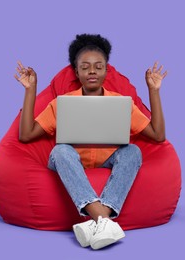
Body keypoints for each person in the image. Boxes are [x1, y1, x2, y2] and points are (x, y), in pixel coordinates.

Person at [14, 34, 168, 250]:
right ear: (77, 72)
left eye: (98, 66)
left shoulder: (121, 103)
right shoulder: (62, 103)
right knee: (60, 151)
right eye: (85, 67)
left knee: (132, 151)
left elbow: (158, 135)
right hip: (71, 163)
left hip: (107, 160)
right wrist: (30, 90)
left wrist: (154, 91)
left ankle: (96, 222)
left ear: (106, 70)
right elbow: (26, 134)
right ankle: (104, 221)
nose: (92, 71)